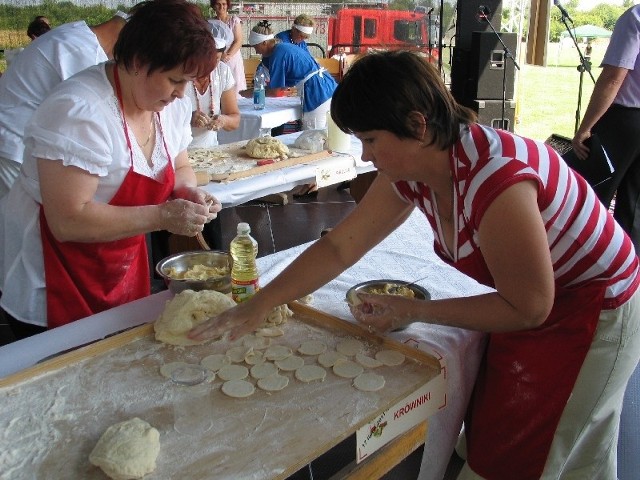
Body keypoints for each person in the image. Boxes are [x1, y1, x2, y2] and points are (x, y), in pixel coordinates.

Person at [190, 51, 640, 479]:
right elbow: (340, 248)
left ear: (418, 126)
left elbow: (530, 307)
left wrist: (414, 311)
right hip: (533, 301)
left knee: (549, 451)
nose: (364, 156)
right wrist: (260, 302)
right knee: (492, 438)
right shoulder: (414, 172)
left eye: (370, 140)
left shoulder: (496, 181)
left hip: (591, 310)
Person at [0, 0, 221, 340]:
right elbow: (68, 220)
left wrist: (187, 191)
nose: (181, 93)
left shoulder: (168, 104)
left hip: (118, 265)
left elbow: (180, 163)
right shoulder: (79, 111)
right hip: (55, 277)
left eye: (188, 81)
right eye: (175, 79)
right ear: (136, 62)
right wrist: (162, 215)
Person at [0, 10, 128, 198]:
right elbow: (93, 118)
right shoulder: (83, 54)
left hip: (14, 139)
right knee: (22, 220)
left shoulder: (75, 33)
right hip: (14, 145)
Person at [572, 5, 640, 252]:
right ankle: (628, 274)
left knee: (589, 196)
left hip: (625, 120)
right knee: (634, 209)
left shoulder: (635, 16)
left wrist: (585, 128)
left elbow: (613, 77)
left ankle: (579, 263)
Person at [185, 29, 240, 250]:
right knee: (186, 212)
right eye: (207, 59)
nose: (211, 67)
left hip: (209, 155)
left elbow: (234, 119)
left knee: (211, 212)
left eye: (217, 59)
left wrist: (222, 120)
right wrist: (187, 117)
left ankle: (212, 256)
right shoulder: (181, 70)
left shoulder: (222, 72)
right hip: (181, 154)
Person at [210, 0, 247, 95]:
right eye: (218, 4)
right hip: (217, 58)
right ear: (214, 6)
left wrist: (228, 55)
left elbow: (238, 41)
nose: (221, 6)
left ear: (227, 6)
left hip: (232, 58)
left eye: (224, 4)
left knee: (235, 87)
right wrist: (221, 55)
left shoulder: (234, 20)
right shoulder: (210, 23)